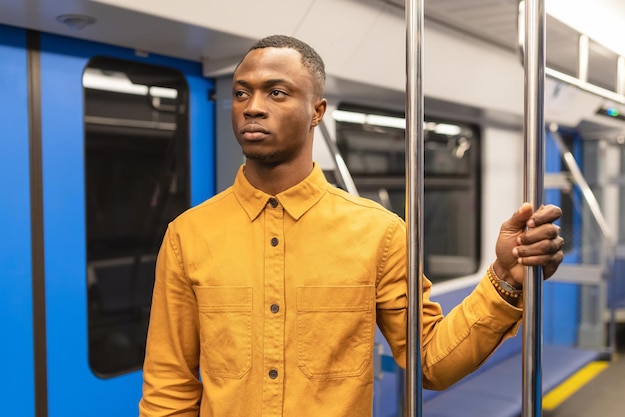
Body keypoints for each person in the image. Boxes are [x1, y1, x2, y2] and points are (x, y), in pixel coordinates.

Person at [139, 35, 564, 417]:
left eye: (277, 92)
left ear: (316, 112)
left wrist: (505, 280)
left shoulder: (378, 233)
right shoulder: (188, 235)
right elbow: (169, 390)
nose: (253, 106)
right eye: (241, 93)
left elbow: (430, 361)